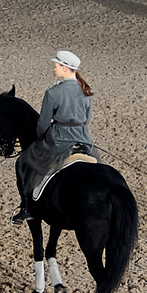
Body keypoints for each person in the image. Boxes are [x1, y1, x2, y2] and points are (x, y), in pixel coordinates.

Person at [12, 49, 102, 221]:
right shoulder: (86, 91)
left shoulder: (53, 93)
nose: (54, 68)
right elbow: (87, 119)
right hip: (83, 138)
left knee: (26, 160)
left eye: (56, 65)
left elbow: (43, 123)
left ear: (65, 68)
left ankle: (27, 206)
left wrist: (41, 136)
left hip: (58, 139)